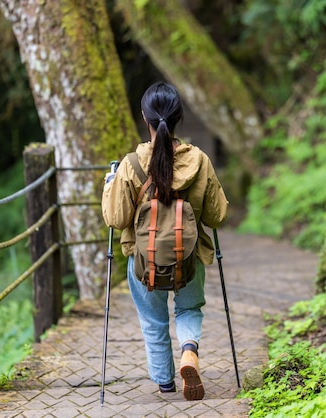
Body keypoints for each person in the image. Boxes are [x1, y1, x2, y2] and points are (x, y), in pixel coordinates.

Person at [101, 82, 229, 401]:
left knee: (153, 319)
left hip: (144, 263)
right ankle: (189, 351)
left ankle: (165, 383)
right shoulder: (198, 161)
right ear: (178, 118)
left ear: (145, 118)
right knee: (189, 309)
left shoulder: (131, 164)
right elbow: (217, 216)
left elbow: (116, 219)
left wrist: (109, 185)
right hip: (189, 258)